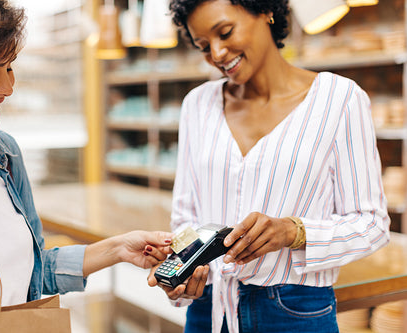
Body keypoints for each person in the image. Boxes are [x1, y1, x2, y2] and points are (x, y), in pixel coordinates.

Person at [0, 0, 173, 314]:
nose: (7, 87)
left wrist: (118, 248)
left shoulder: (6, 154)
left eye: (9, 67)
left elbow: (35, 269)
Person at [147, 0, 391, 332]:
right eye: (203, 46)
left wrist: (294, 232)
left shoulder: (340, 100)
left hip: (293, 311)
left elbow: (371, 224)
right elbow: (185, 218)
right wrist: (182, 276)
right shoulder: (198, 104)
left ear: (265, 11)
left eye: (225, 32)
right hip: (209, 309)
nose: (217, 54)